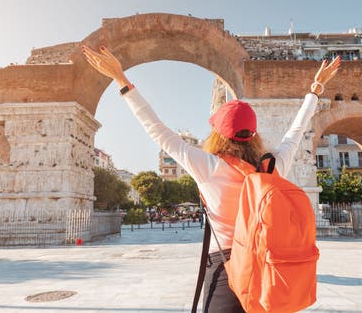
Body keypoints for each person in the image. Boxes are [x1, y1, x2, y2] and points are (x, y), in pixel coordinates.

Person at [82, 44, 340, 312]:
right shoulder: (271, 168)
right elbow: (295, 133)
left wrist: (121, 79)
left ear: (217, 133)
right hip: (267, 267)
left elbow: (157, 129)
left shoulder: (208, 165)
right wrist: (315, 90)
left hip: (225, 268)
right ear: (253, 135)